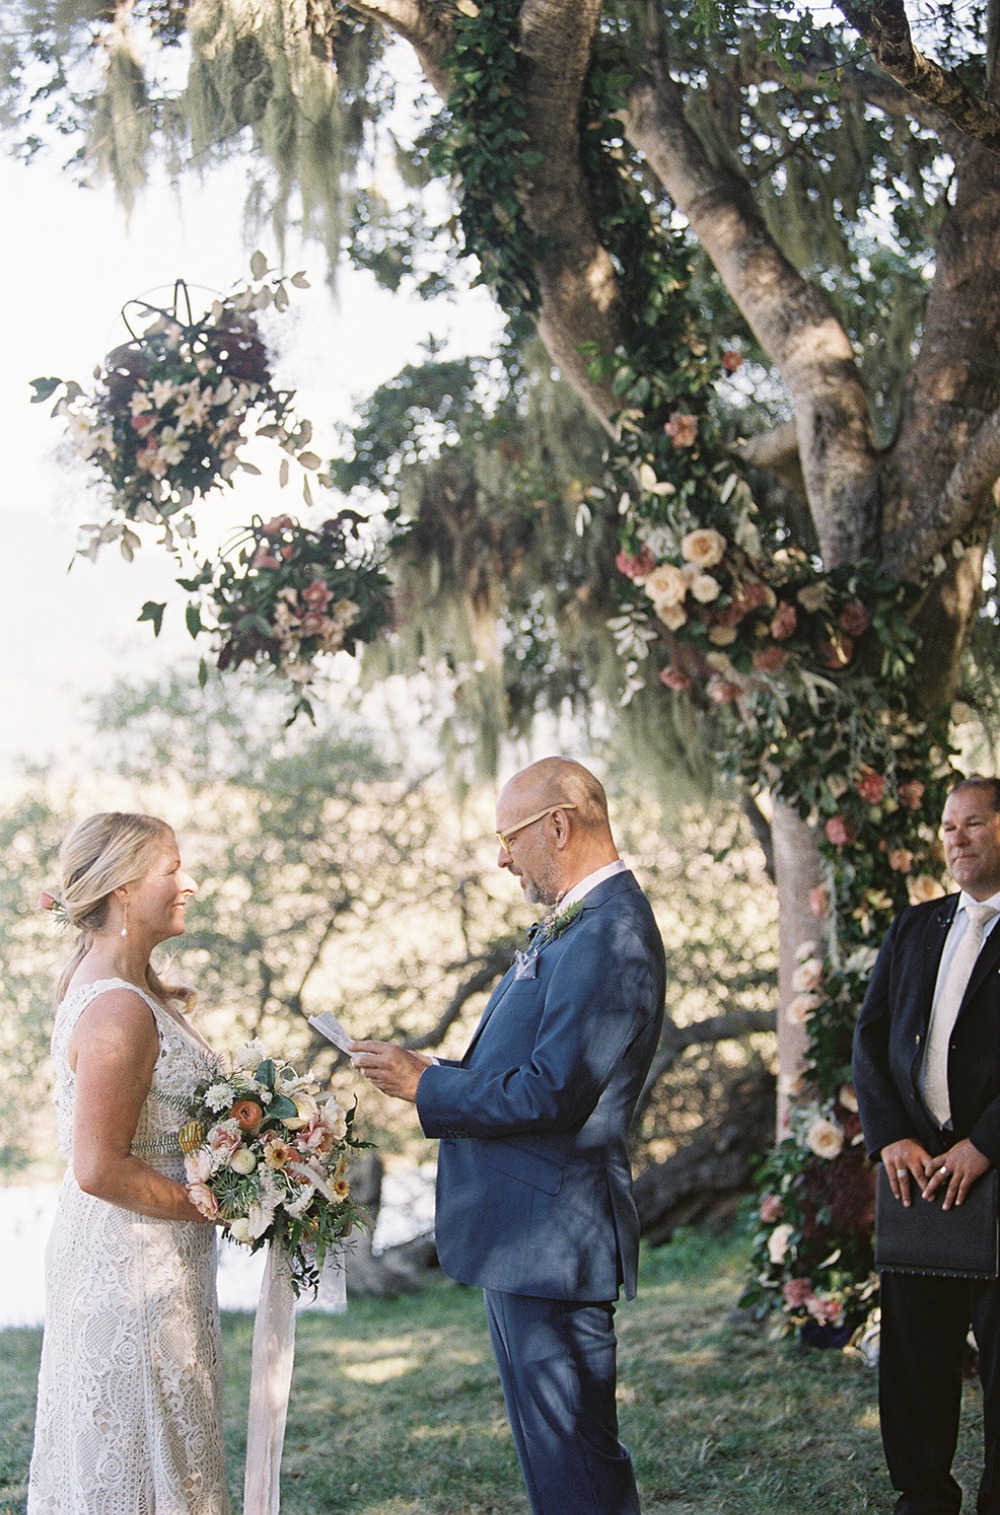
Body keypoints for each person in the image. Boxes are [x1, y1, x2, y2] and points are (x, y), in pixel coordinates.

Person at [351, 756, 666, 1515]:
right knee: (555, 1458)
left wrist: (427, 1087)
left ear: (558, 824)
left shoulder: (611, 931)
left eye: (508, 836)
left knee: (575, 1460)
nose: (501, 856)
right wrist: (438, 1069)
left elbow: (554, 1091)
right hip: (525, 1233)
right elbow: (527, 1064)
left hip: (554, 1237)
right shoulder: (578, 923)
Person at [27, 812, 231, 1515]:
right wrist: (218, 1202)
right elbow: (98, 1167)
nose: (190, 883)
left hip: (157, 1258)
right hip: (127, 1264)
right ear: (121, 884)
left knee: (164, 1447)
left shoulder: (135, 985)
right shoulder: (117, 1008)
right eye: (172, 868)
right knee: (136, 1457)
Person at [853, 775, 1000, 1515]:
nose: (956, 837)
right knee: (913, 1357)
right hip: (916, 1177)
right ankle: (922, 1499)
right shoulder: (915, 927)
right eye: (948, 826)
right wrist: (891, 1137)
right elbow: (870, 1037)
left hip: (995, 1175)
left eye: (973, 823)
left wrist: (986, 1142)